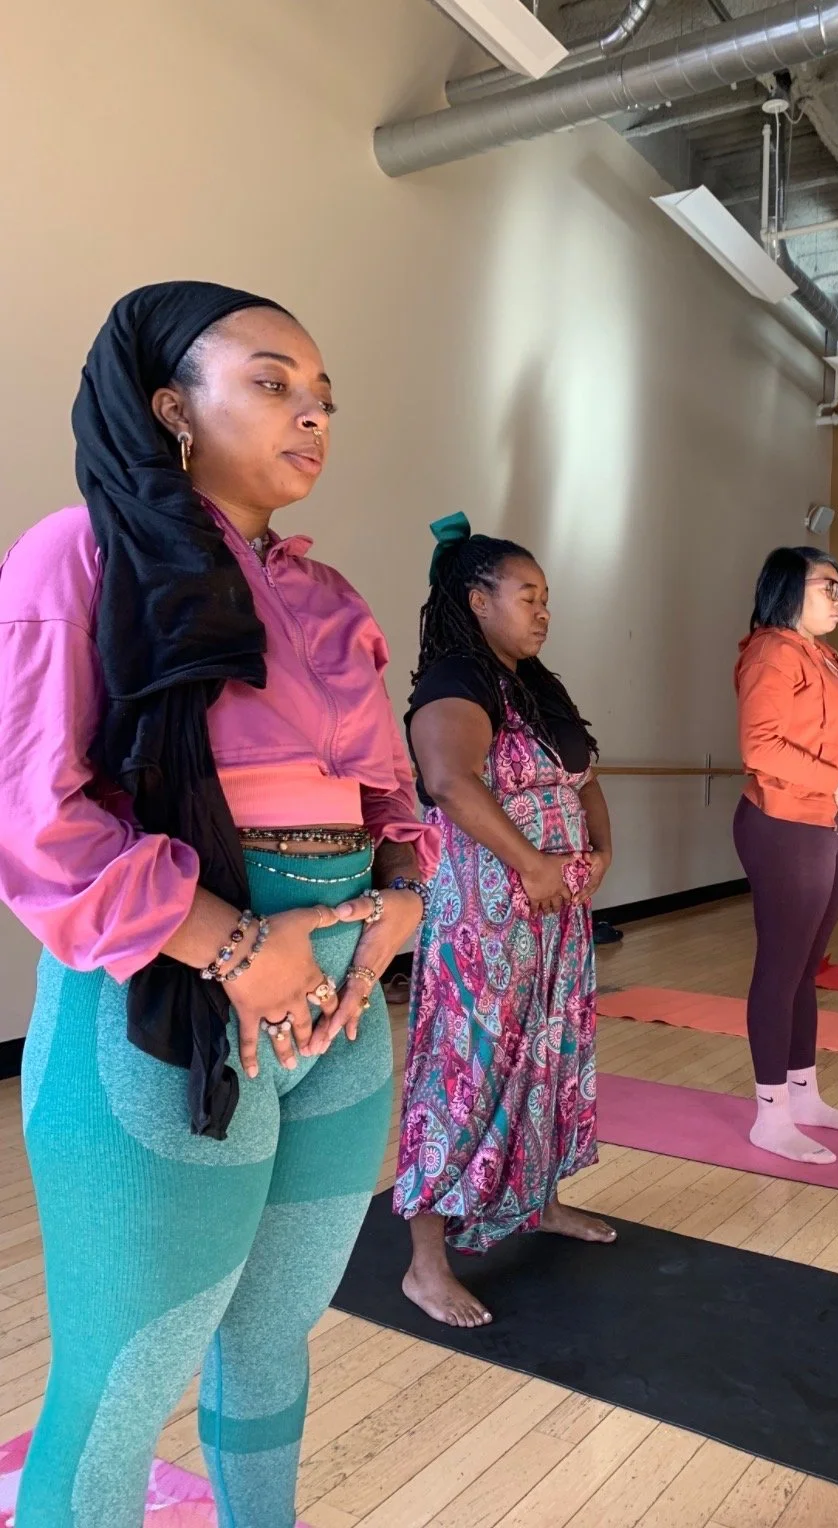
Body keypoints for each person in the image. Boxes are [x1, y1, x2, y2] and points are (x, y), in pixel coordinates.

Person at [0, 283, 437, 1527]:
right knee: (128, 1369)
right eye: (271, 380)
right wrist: (236, 945)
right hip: (167, 1010)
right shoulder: (78, 553)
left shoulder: (330, 594)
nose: (312, 414)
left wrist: (401, 900)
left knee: (276, 1337)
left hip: (341, 1018)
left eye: (324, 398)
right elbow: (38, 820)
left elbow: (389, 801)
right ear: (167, 406)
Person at [394, 515, 615, 1329]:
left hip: (557, 912)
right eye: (528, 595)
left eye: (546, 597)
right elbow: (451, 780)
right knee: (464, 1072)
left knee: (549, 1059)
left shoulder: (535, 685)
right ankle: (425, 1265)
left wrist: (601, 849)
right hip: (486, 922)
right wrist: (531, 862)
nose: (542, 611)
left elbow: (584, 772)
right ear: (477, 598)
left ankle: (537, 1200)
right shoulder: (454, 680)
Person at [733, 547, 838, 1165]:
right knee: (781, 966)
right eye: (829, 586)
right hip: (784, 822)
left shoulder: (824, 655)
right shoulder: (772, 650)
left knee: (807, 966)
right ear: (791, 586)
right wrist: (837, 781)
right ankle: (771, 1115)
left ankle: (805, 1095)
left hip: (826, 825)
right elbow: (761, 746)